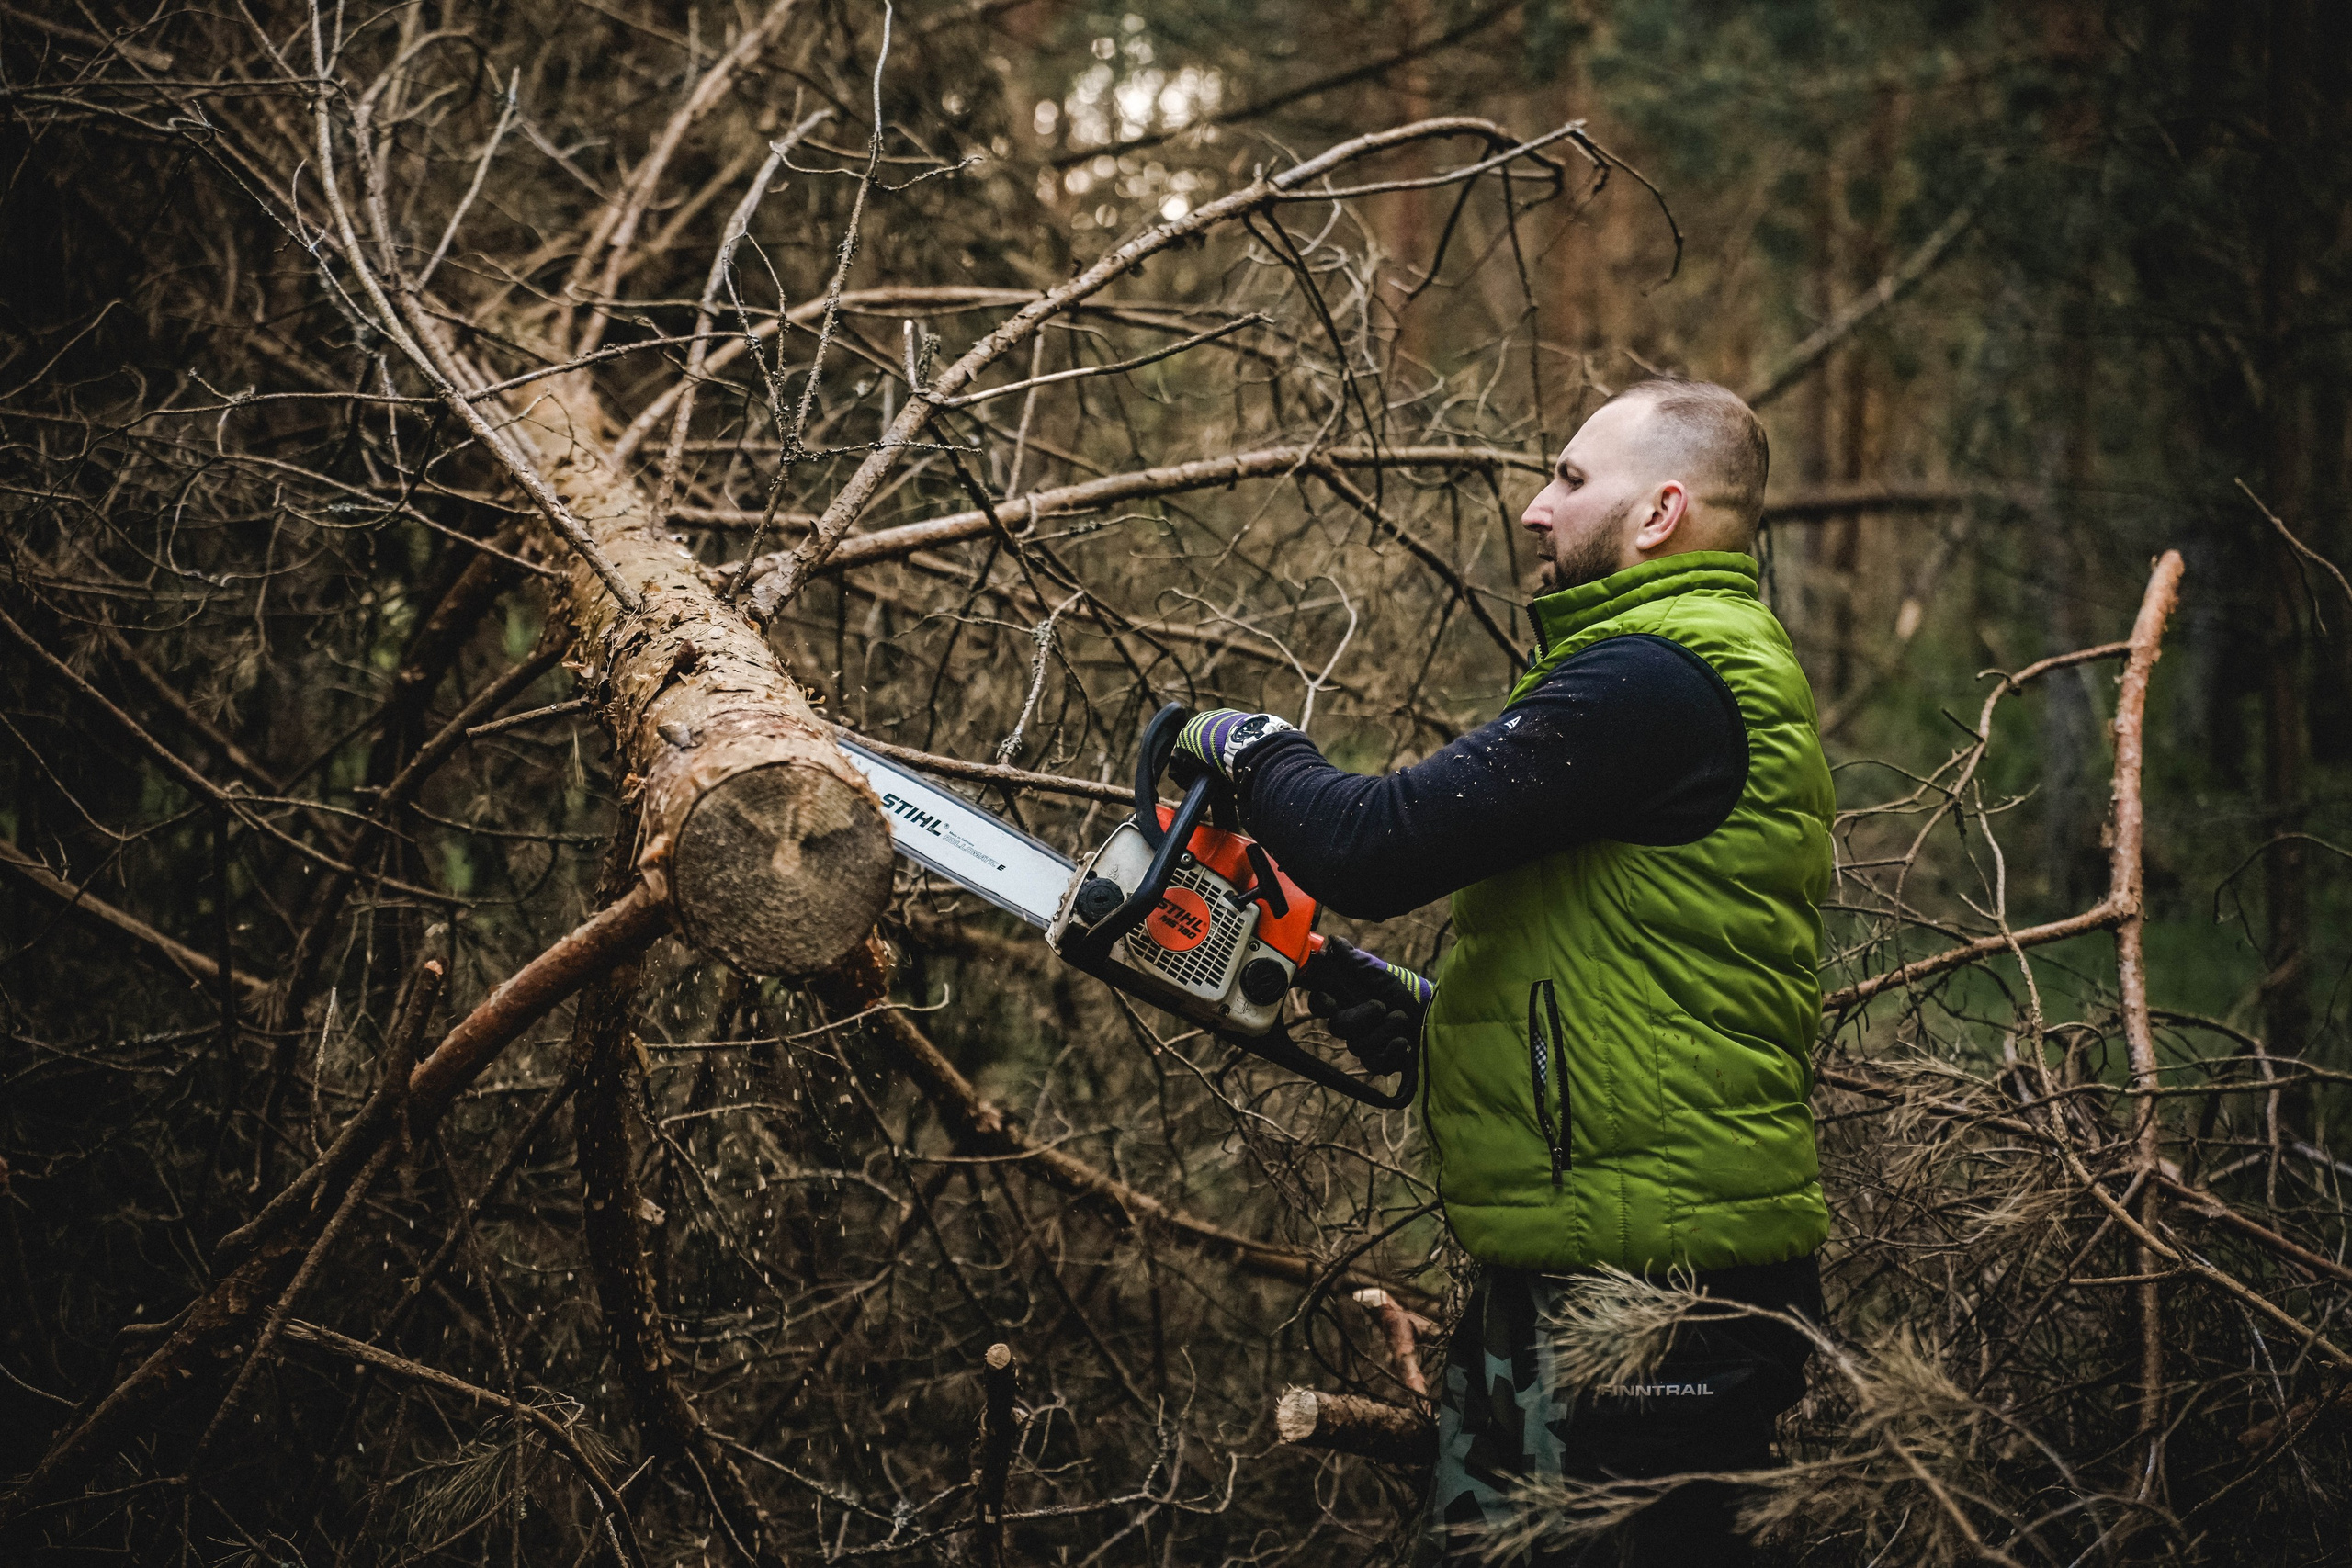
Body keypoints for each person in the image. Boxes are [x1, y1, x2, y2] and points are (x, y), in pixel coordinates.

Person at [1174, 378, 1833, 1565]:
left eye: (1571, 480)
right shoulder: (1665, 672)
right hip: (1592, 1268)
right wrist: (1429, 1017)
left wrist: (1253, 751)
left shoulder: (1660, 677)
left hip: (1658, 1297)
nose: (1536, 506)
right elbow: (1641, 975)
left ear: (1661, 513)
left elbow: (1375, 846)